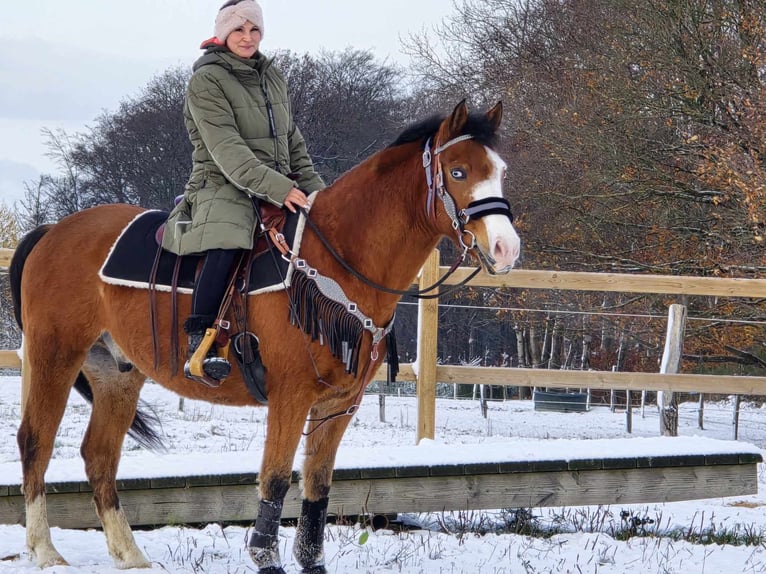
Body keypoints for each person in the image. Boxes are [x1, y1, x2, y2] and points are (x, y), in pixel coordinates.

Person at [162, 0, 325, 383]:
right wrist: (278, 187)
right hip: (221, 183)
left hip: (276, 184)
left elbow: (291, 139)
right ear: (223, 34)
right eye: (239, 30)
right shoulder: (207, 79)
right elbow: (226, 150)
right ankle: (201, 342)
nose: (248, 38)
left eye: (255, 30)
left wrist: (317, 193)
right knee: (230, 237)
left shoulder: (272, 75)